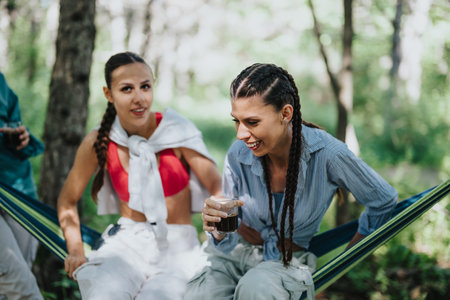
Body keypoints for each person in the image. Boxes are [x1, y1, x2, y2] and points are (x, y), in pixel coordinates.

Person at [185, 63, 398, 300]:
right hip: (233, 256)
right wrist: (218, 227)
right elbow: (227, 231)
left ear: (285, 114)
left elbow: (383, 200)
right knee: (198, 293)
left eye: (252, 122)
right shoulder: (239, 154)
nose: (240, 134)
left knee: (256, 289)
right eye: (237, 121)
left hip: (286, 265)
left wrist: (344, 262)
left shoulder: (329, 154)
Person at [57, 52, 222, 300]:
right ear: (108, 95)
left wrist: (219, 232)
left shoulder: (176, 131)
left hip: (177, 248)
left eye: (145, 86)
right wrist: (76, 249)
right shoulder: (100, 140)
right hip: (126, 244)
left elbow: (218, 187)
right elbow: (67, 200)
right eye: (126, 89)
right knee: (103, 293)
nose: (139, 98)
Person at [0, 72, 45, 300]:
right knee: (22, 288)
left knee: (11, 286)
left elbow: (13, 123)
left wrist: (18, 136)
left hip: (18, 192)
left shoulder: (1, 83)